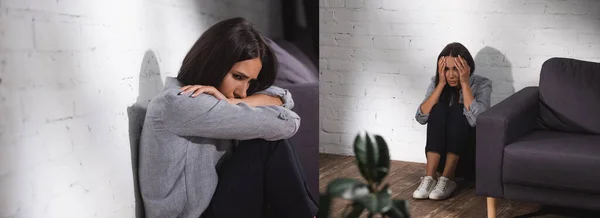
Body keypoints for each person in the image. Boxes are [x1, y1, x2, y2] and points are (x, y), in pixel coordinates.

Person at [138, 17, 318, 218]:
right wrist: (233, 104)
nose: (243, 92)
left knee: (266, 145)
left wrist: (232, 103)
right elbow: (288, 123)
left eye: (250, 83)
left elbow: (283, 97)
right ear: (213, 63)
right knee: (267, 145)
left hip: (214, 207)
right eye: (238, 77)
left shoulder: (206, 100)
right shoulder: (182, 103)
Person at [413, 42, 492, 200]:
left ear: (467, 67)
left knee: (458, 110)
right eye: (446, 69)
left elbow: (479, 121)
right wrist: (440, 84)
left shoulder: (482, 84)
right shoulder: (438, 82)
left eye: (456, 68)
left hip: (467, 158)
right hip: (441, 159)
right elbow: (421, 117)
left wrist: (464, 83)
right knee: (438, 109)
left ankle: (448, 179)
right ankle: (429, 178)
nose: (450, 75)